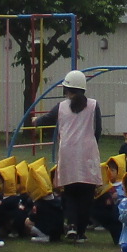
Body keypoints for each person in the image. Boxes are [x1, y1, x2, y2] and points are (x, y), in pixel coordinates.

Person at [49, 69, 103, 243]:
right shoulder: (93, 105)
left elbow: (47, 119)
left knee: (70, 192)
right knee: (86, 194)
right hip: (88, 153)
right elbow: (98, 129)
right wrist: (91, 143)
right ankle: (81, 232)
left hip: (68, 154)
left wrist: (35, 121)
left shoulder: (61, 106)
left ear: (67, 89)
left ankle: (71, 225)